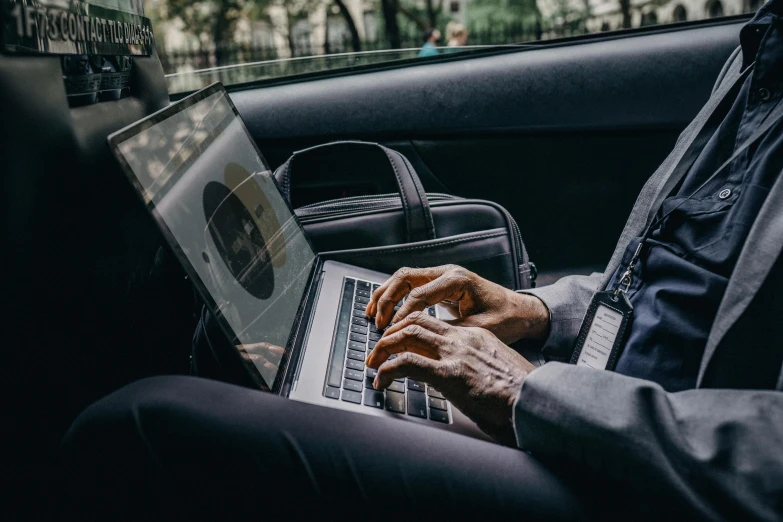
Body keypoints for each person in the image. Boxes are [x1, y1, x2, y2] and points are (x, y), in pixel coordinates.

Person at [62, 3, 783, 521]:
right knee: (293, 368)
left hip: (639, 478)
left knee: (140, 420)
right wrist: (538, 314)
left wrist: (528, 394)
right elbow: (667, 276)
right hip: (598, 408)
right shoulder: (759, 49)